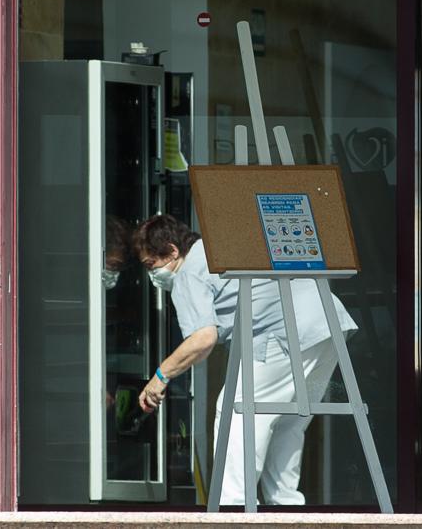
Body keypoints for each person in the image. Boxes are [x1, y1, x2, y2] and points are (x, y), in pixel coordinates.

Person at [133, 214, 357, 505]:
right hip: (327, 326)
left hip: (283, 334)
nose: (153, 274)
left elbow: (203, 339)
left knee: (238, 411)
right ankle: (286, 504)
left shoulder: (189, 273)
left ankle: (233, 506)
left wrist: (160, 376)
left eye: (152, 265)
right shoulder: (217, 247)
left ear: (173, 251)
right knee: (289, 419)